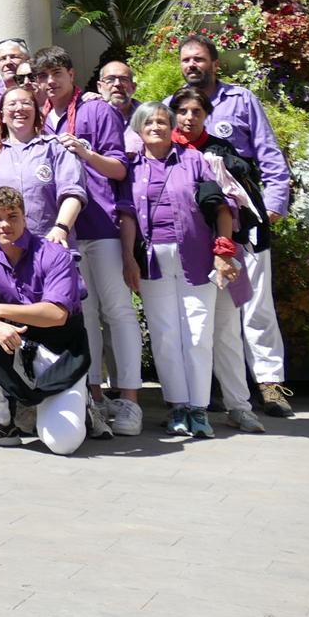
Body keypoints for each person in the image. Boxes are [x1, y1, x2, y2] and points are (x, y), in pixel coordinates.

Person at [179, 34, 295, 418]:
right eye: (186, 60)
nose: (192, 65)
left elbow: (270, 157)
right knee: (210, 309)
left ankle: (269, 384)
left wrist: (273, 207)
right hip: (199, 228)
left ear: (214, 63)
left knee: (255, 303)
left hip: (245, 223)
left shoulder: (241, 101)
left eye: (199, 59)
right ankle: (214, 386)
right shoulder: (176, 106)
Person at [121, 100, 247, 439]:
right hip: (153, 260)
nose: (157, 127)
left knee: (198, 333)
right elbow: (128, 216)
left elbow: (221, 208)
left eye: (163, 121)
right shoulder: (132, 168)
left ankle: (199, 409)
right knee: (164, 336)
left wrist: (223, 250)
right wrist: (128, 259)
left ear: (171, 126)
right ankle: (177, 406)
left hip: (195, 255)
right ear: (139, 129)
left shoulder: (193, 161)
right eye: (149, 122)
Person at [35, 45, 143, 440]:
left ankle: (130, 399)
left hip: (101, 224)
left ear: (70, 74)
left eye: (56, 74)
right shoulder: (41, 115)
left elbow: (119, 169)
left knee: (118, 311)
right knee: (85, 316)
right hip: (66, 231)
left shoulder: (97, 110)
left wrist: (85, 152)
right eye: (43, 77)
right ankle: (95, 395)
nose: (50, 82)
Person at [0, 185, 90, 454]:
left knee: (63, 445)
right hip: (16, 345)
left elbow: (56, 314)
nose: (5, 225)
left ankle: (79, 404)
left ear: (25, 217)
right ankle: (0, 424)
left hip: (59, 352)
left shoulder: (55, 254)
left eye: (12, 216)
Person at [169, 87, 269, 433]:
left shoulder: (221, 151)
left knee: (226, 330)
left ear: (206, 115)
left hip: (224, 253)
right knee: (186, 334)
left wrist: (226, 249)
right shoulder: (162, 150)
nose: (189, 118)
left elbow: (239, 199)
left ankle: (238, 406)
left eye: (196, 111)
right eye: (183, 111)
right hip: (180, 258)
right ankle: (184, 407)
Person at [0, 81, 88, 248]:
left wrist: (61, 228)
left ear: (36, 110)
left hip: (52, 247)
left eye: (26, 103)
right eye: (12, 104)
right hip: (7, 254)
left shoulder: (57, 148)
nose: (19, 108)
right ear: (1, 113)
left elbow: (73, 193)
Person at [96, 58, 137, 123]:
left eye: (124, 79)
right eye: (110, 79)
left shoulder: (148, 115)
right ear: (99, 87)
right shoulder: (90, 115)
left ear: (133, 87)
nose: (117, 84)